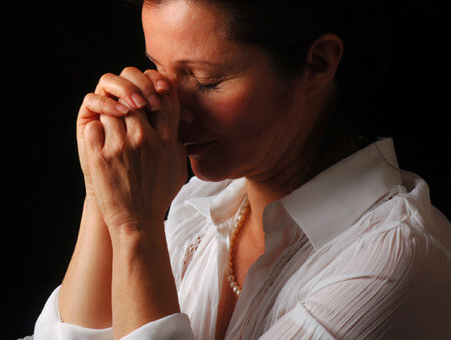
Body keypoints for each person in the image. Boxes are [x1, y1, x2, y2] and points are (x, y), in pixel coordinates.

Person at [31, 0, 451, 338]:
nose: (171, 113)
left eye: (207, 80)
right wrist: (103, 189)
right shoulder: (198, 206)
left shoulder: (395, 257)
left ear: (317, 63)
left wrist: (134, 225)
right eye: (160, 71)